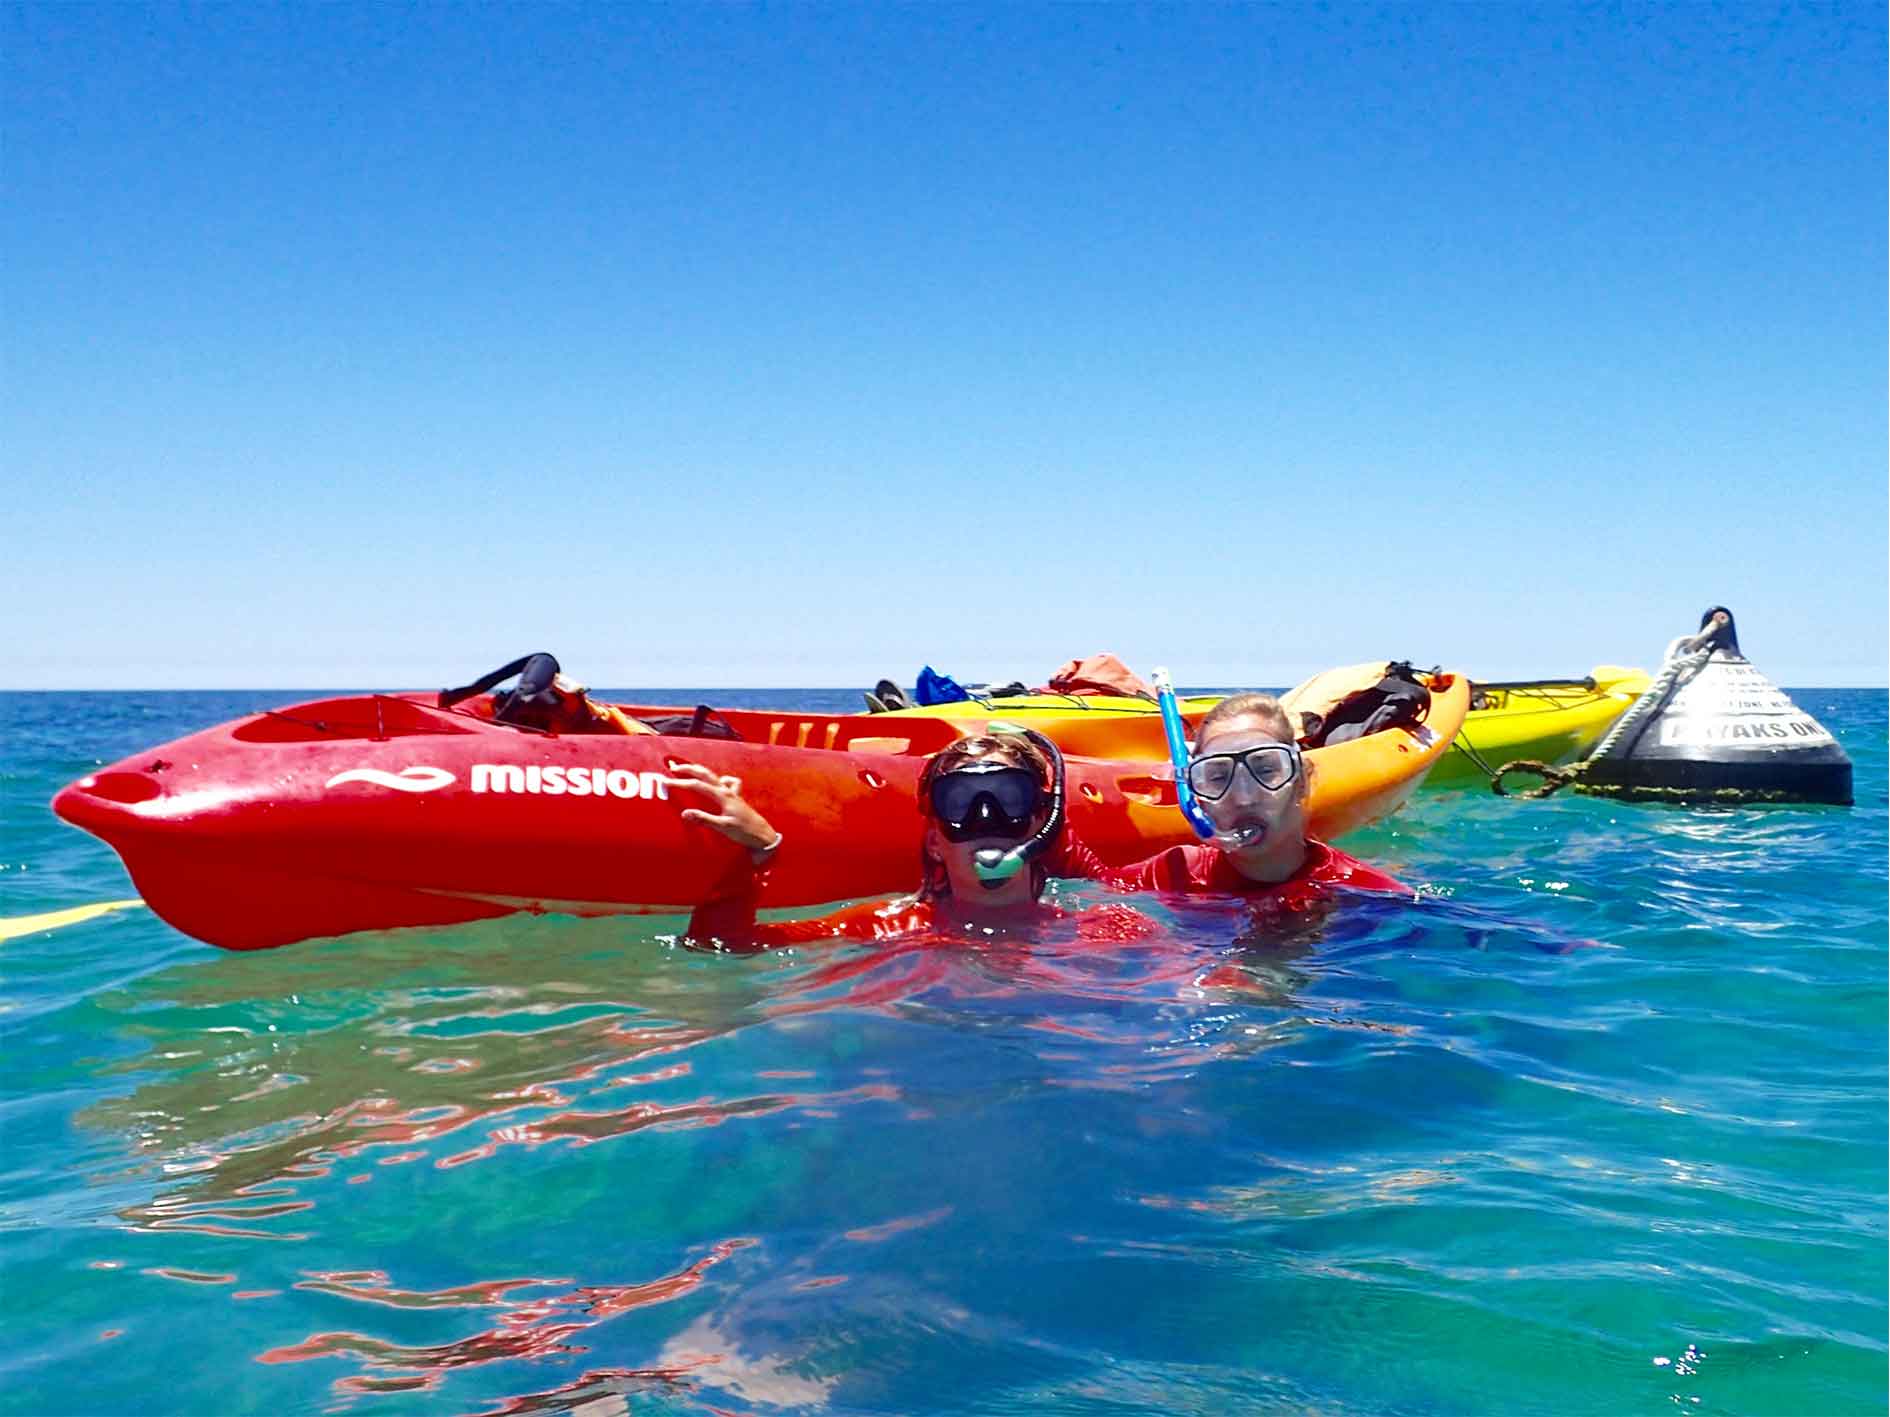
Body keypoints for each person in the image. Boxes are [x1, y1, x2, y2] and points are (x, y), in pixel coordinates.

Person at [668, 731, 1157, 952]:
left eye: (1008, 798)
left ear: (1040, 824)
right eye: (960, 802)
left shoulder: (1109, 931)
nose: (985, 820)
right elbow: (719, 946)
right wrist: (757, 853)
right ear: (933, 841)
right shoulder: (886, 927)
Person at [1061, 693, 1412, 913]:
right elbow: (1090, 887)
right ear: (1196, 797)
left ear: (1301, 781)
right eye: (1216, 776)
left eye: (1266, 769)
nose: (1243, 796)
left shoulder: (1363, 892)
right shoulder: (1175, 872)